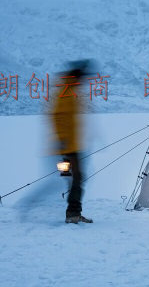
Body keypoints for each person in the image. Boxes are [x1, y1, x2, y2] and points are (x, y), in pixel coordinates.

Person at [51, 60, 93, 224]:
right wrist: (63, 140)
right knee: (77, 178)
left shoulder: (70, 92)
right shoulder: (66, 93)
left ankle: (73, 212)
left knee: (76, 178)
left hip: (72, 144)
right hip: (70, 145)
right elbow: (58, 117)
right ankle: (73, 214)